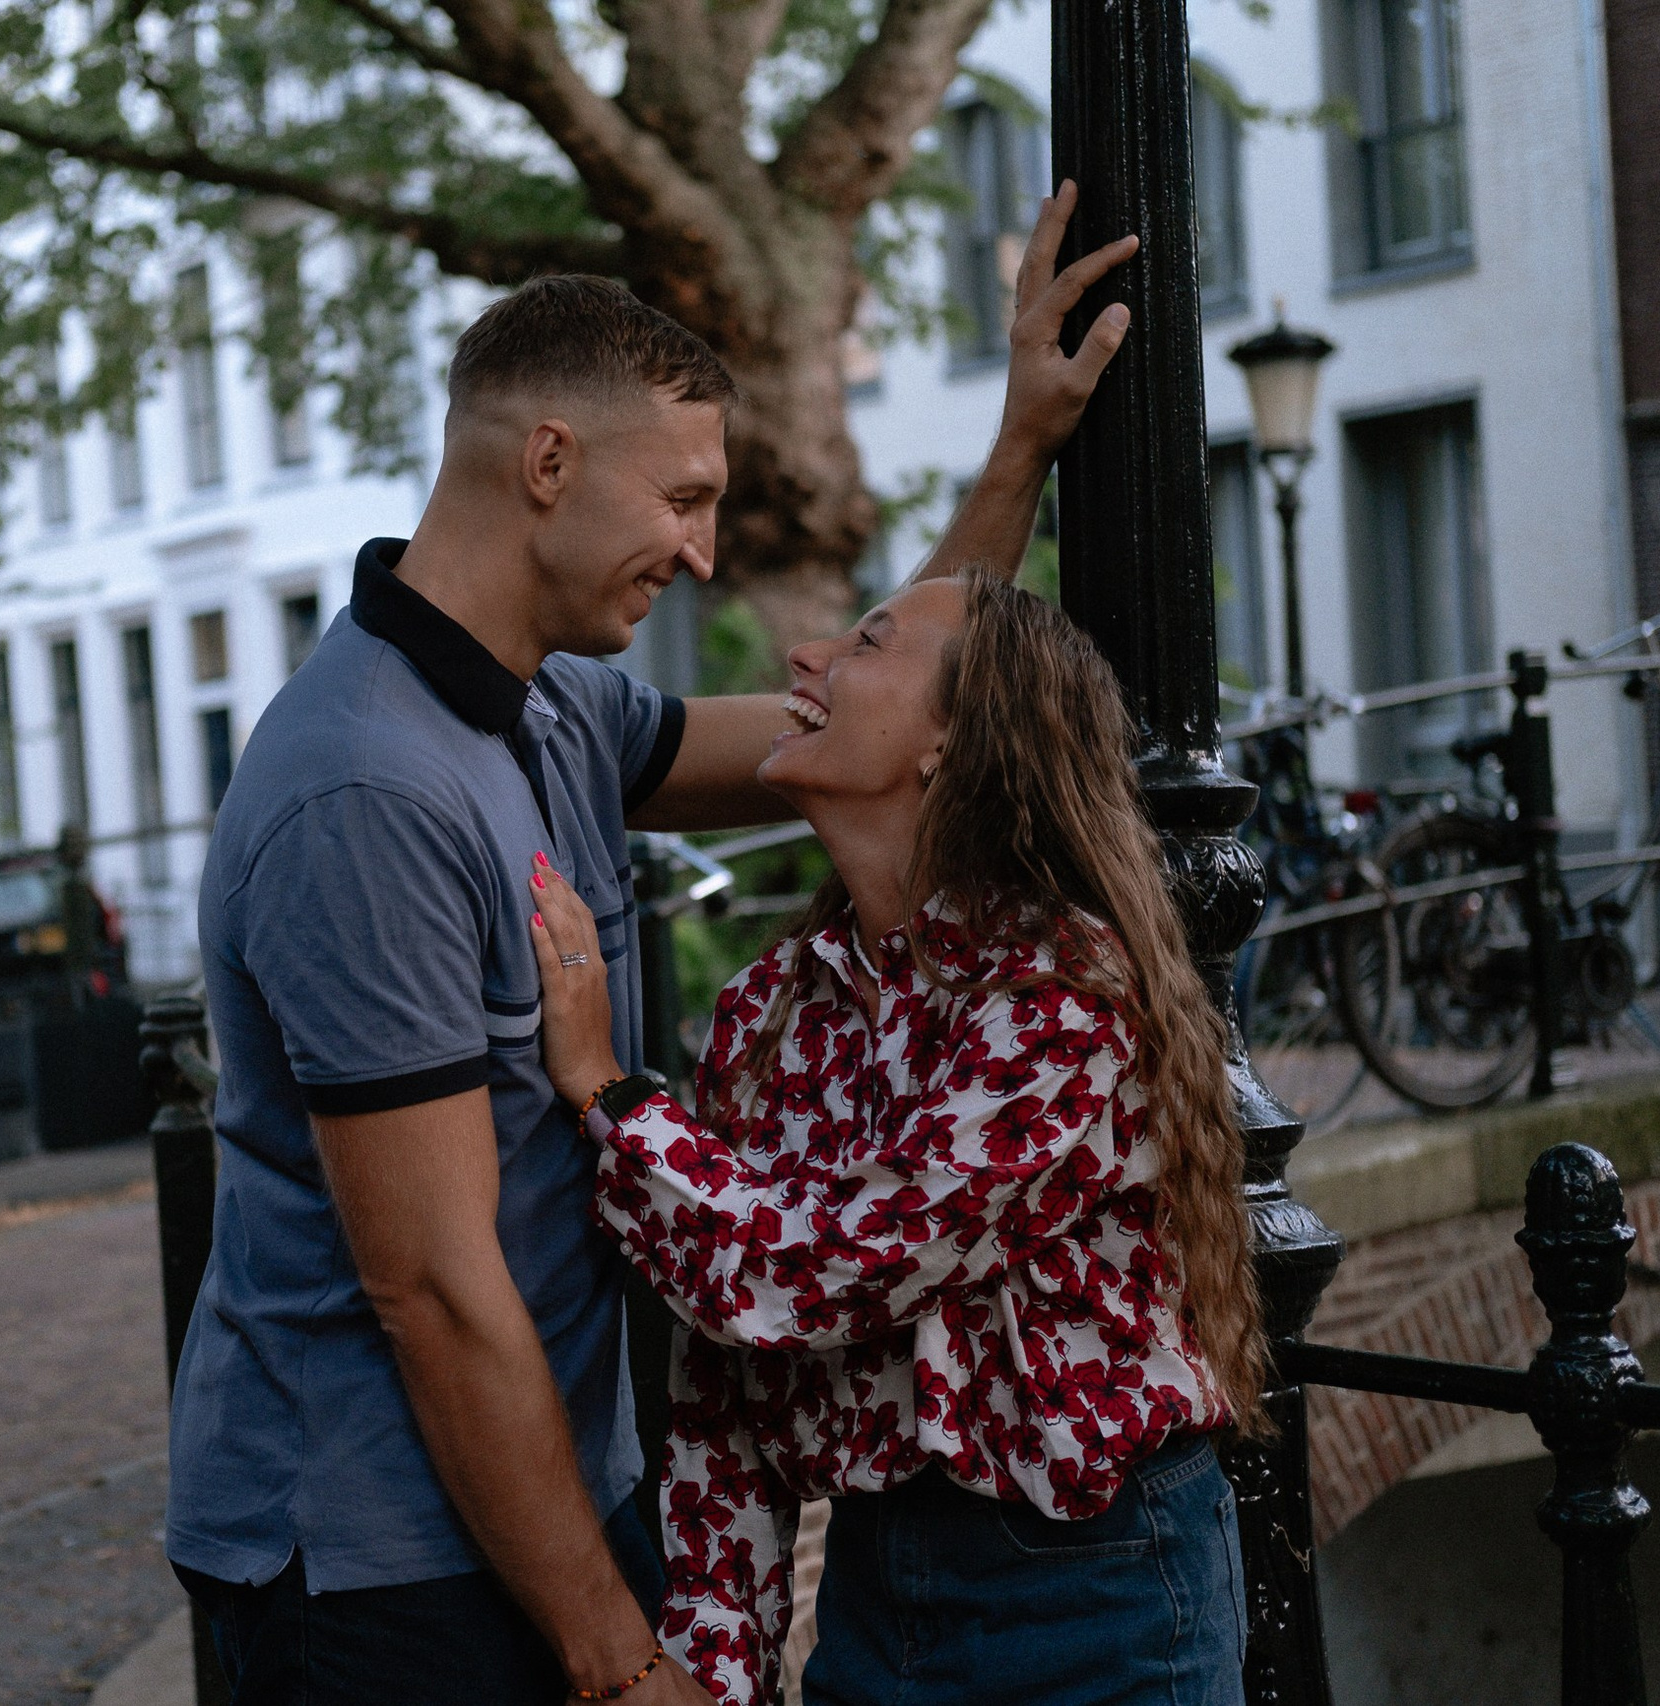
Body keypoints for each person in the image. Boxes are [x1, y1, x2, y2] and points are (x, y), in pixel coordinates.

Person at [166, 183, 1141, 1705]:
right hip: (380, 1563)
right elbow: (428, 1285)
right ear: (548, 462)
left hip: (551, 1489)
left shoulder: (556, 704)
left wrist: (1019, 445)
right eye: (681, 499)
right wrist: (619, 1663)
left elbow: (894, 715)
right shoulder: (368, 790)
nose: (700, 554)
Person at [526, 572, 1264, 1706]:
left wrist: (609, 1095)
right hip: (880, 1588)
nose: (806, 657)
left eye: (866, 641)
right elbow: (726, 1386)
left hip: (1100, 1596)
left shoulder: (1060, 995)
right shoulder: (771, 1009)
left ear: (949, 739)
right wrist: (719, 1673)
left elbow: (831, 1266)